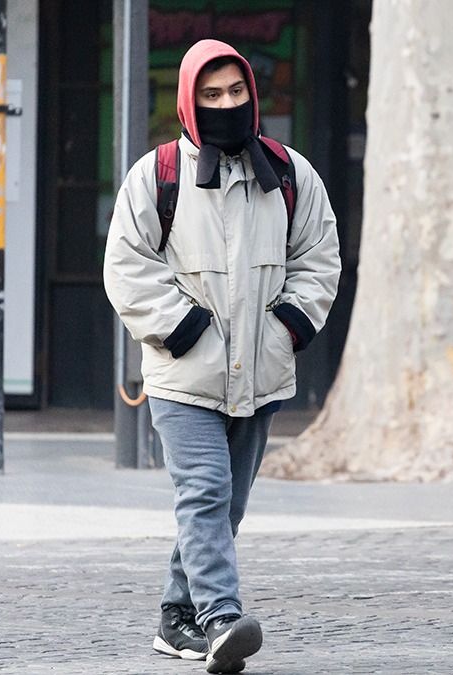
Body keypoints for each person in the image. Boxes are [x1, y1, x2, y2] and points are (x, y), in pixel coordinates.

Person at [103, 39, 341, 673]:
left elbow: (319, 257)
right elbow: (126, 267)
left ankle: (174, 618)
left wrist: (289, 325)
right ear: (188, 101)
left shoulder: (292, 174)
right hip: (184, 377)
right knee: (205, 492)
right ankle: (220, 620)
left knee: (224, 505)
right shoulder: (157, 176)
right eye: (211, 95)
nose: (227, 103)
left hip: (263, 373)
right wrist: (181, 329)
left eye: (236, 92)